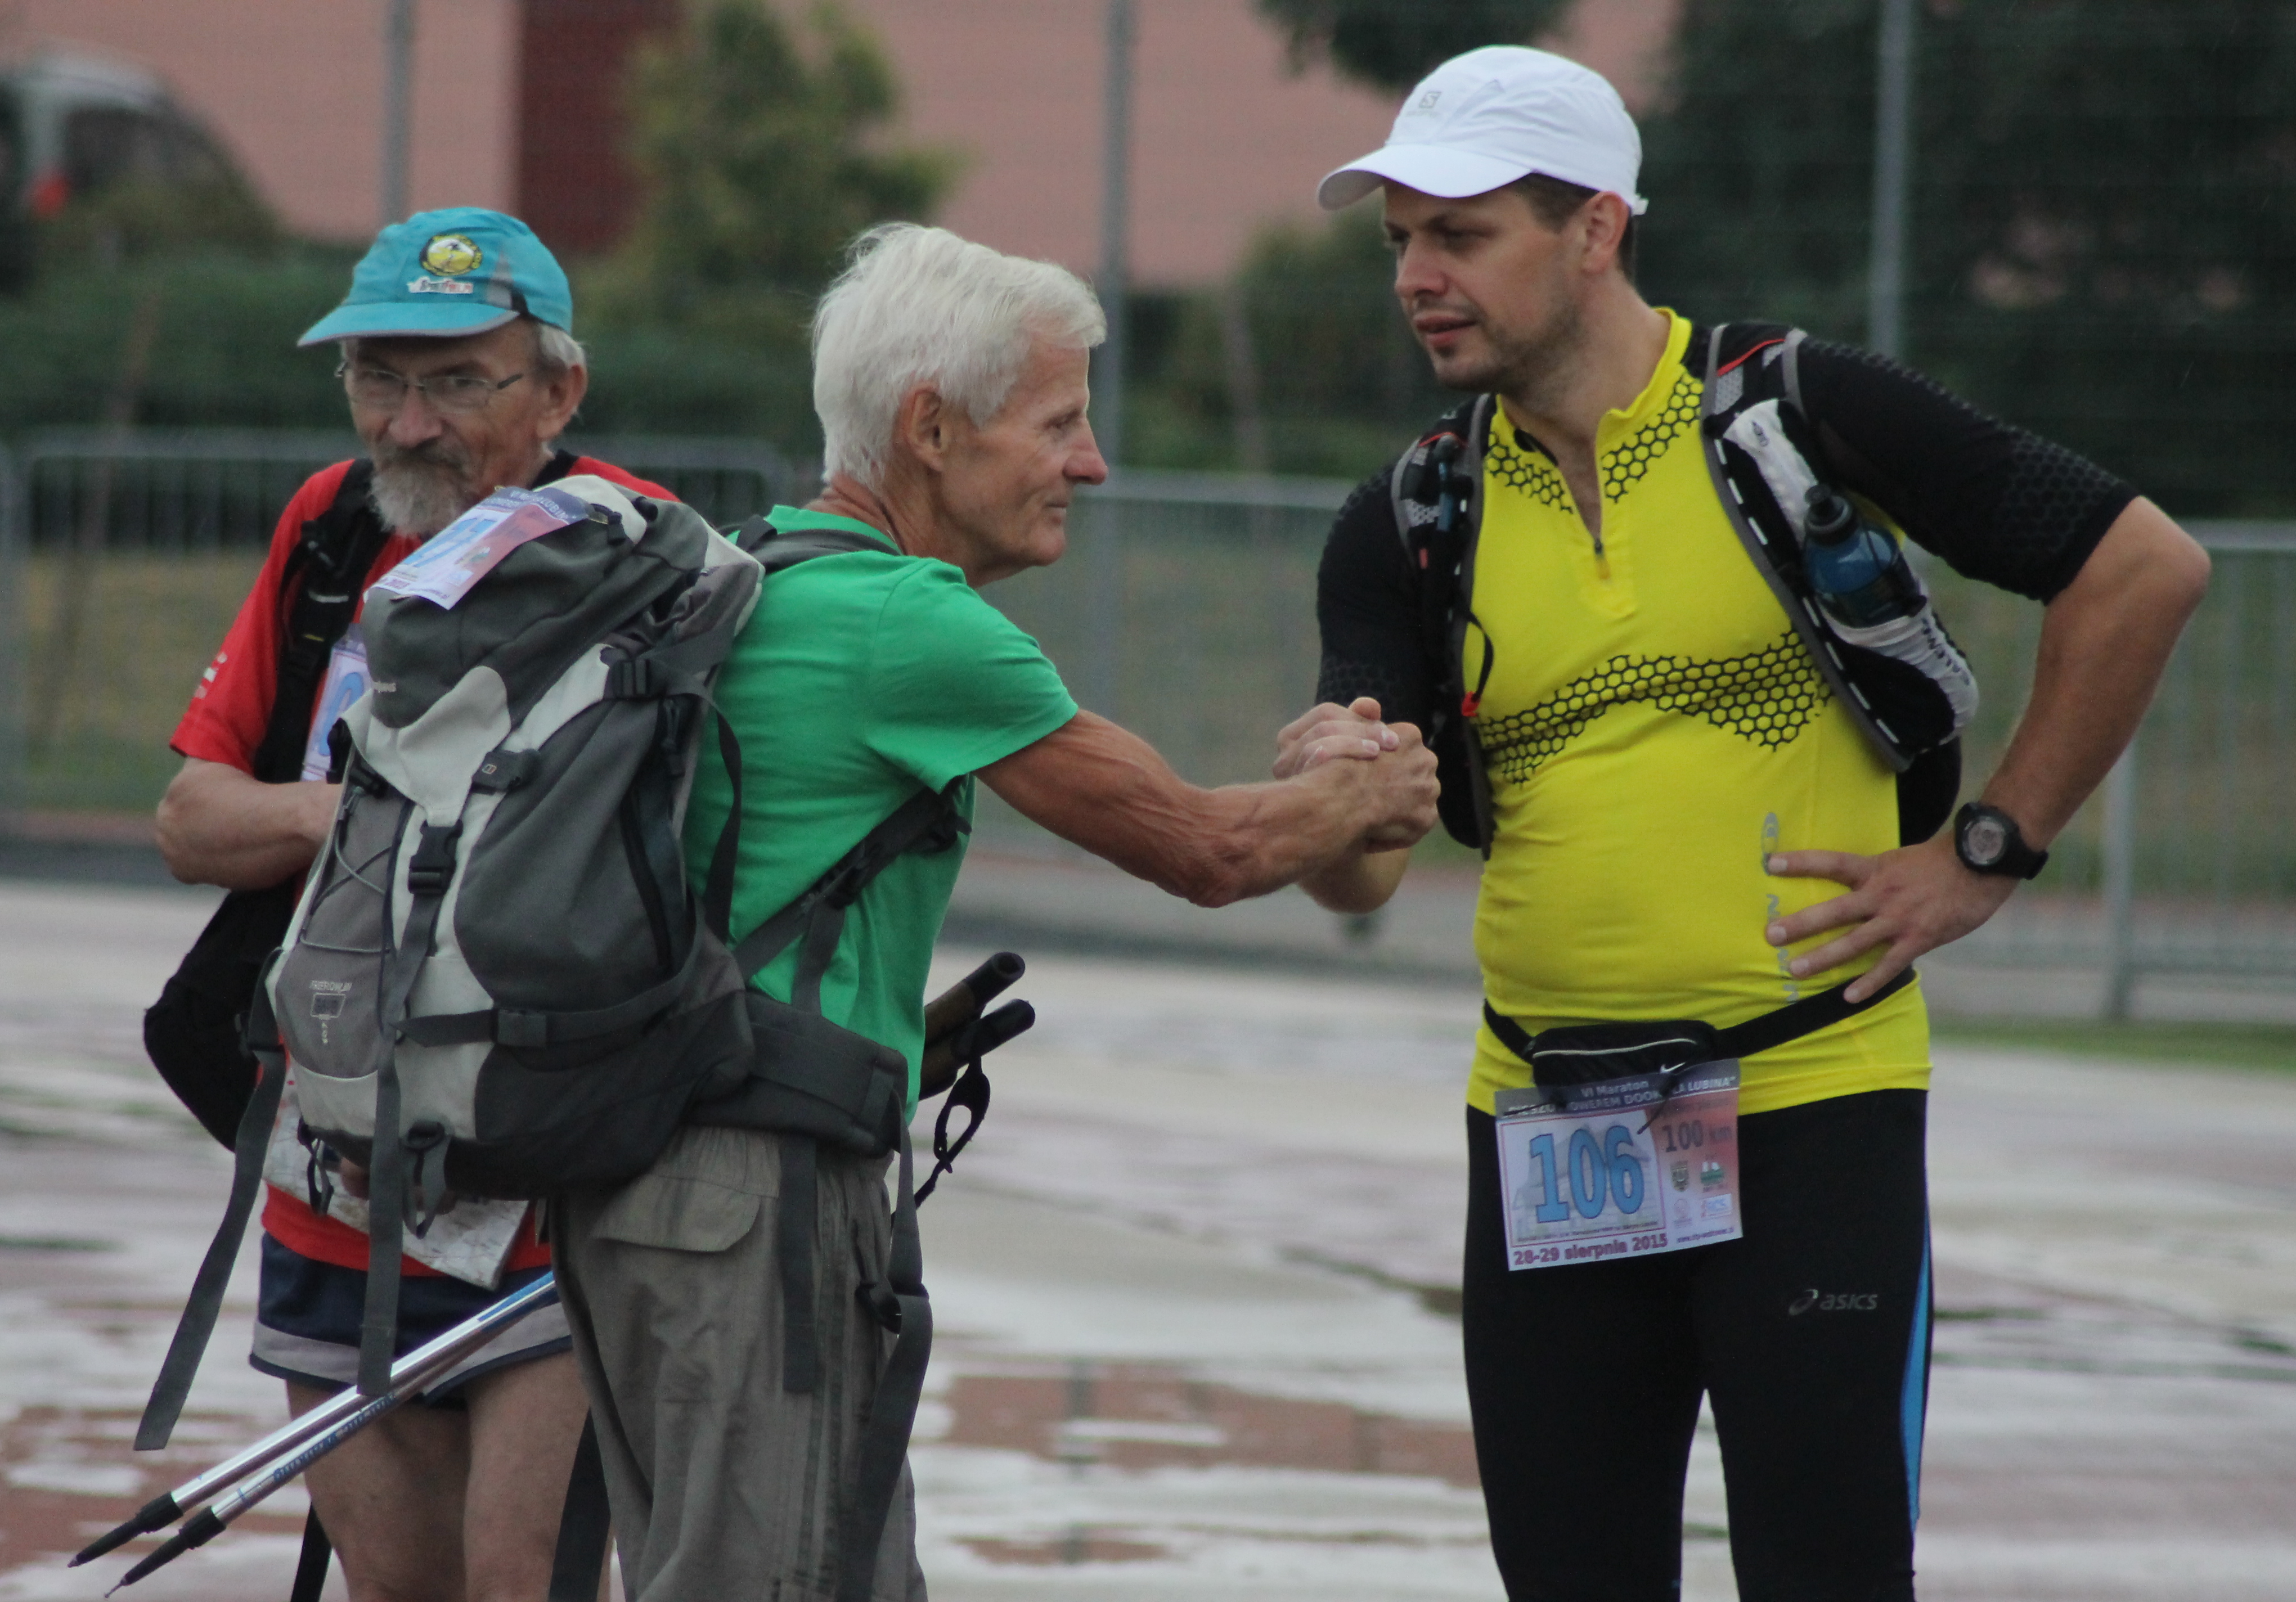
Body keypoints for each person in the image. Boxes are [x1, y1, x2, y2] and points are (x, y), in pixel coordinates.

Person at [1282, 45, 2212, 1602]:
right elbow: (1365, 875)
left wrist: (1988, 850)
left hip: (1807, 1111)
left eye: (1462, 235)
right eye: (1400, 245)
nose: (1419, 279)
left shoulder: (1794, 414)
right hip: (1551, 1120)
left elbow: (2143, 569)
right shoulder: (1407, 520)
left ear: (1596, 231)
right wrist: (1337, 801)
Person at [549, 222, 1441, 1602]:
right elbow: (1205, 850)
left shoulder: (753, 567)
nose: (1091, 462)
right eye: (1060, 423)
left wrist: (889, 1031)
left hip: (648, 1189)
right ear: (930, 427)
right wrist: (1366, 785)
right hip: (761, 1198)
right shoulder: (909, 621)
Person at [157, 206, 675, 1602]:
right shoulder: (329, 530)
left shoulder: (640, 558)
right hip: (326, 1178)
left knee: (523, 1587)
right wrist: (357, 818)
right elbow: (193, 817)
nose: (411, 423)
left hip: (542, 1186)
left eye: (458, 381)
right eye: (380, 379)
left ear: (560, 388)